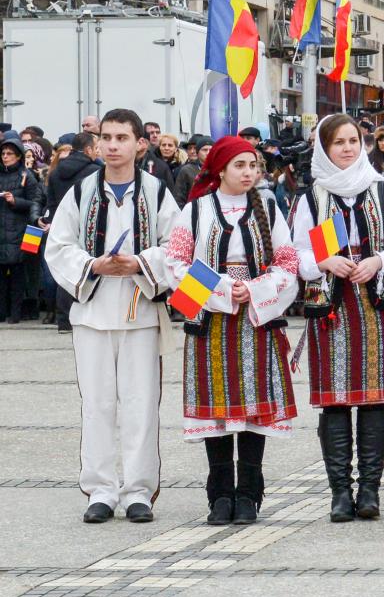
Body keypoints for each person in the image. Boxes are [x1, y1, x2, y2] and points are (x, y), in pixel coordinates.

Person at [43, 109, 179, 522]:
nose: (113, 145)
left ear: (140, 144)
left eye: (122, 137)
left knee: (141, 405)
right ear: (98, 142)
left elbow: (177, 245)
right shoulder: (82, 192)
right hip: (93, 312)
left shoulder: (156, 191)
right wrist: (93, 265)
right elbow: (58, 246)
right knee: (97, 405)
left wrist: (141, 262)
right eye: (107, 137)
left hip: (140, 313)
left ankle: (138, 491)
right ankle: (100, 490)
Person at [164, 136, 301, 525]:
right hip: (210, 318)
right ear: (220, 169)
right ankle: (220, 494)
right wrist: (223, 290)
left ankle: (249, 493)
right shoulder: (196, 210)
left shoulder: (268, 208)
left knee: (254, 405)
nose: (248, 172)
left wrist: (255, 289)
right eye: (239, 165)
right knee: (217, 404)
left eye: (253, 165)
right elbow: (174, 263)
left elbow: (288, 260)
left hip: (256, 318)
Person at [293, 115, 384, 522]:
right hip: (331, 306)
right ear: (324, 149)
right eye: (338, 143)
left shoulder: (383, 190)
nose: (347, 149)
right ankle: (340, 492)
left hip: (376, 303)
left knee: (374, 396)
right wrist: (325, 261)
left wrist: (379, 261)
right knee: (336, 400)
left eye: (353, 141)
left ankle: (370, 490)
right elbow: (297, 253)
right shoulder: (313, 196)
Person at [0, 134, 45, 323]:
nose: (5, 157)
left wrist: (15, 201)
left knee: (20, 275)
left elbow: (36, 203)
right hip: (2, 231)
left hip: (22, 231)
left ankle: (16, 313)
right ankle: (2, 312)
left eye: (9, 153)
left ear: (18, 156)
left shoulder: (27, 176)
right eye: (3, 153)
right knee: (2, 276)